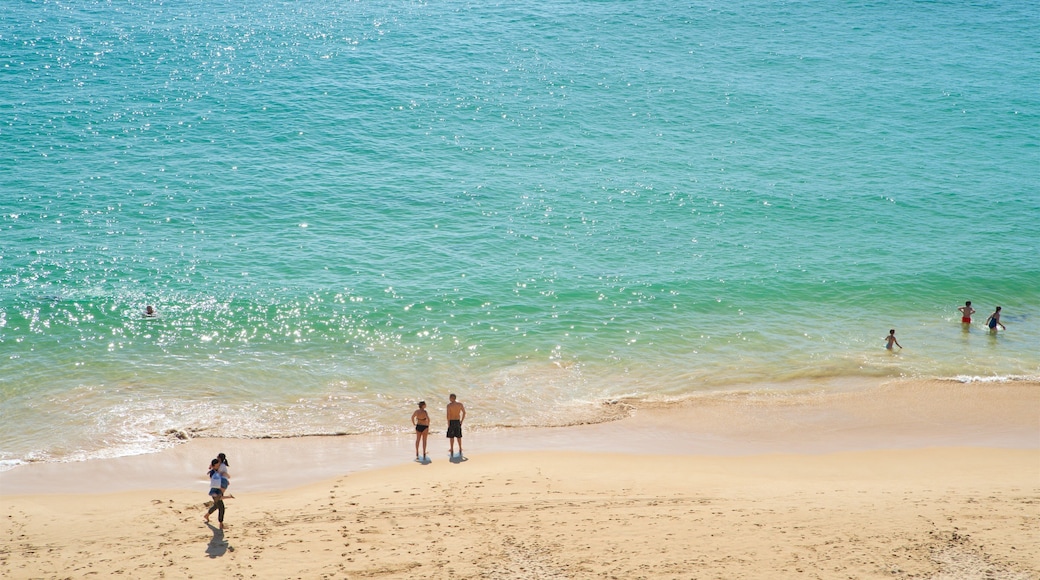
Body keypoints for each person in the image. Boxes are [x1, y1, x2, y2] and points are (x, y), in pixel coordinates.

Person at [204, 458, 226, 529]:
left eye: (218, 465)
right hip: (215, 492)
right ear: (214, 466)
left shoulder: (216, 471)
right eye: (216, 466)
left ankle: (207, 515)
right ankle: (221, 524)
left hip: (218, 491)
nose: (218, 467)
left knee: (216, 505)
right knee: (221, 507)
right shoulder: (213, 473)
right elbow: (216, 484)